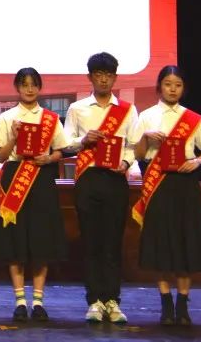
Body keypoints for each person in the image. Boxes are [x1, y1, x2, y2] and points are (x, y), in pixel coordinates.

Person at [132, 65, 201, 326]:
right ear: (160, 87)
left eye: (177, 85)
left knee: (184, 240)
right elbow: (138, 154)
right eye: (168, 84)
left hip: (185, 184)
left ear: (183, 89)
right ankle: (166, 302)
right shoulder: (147, 116)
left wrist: (197, 161)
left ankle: (183, 303)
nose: (172, 89)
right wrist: (146, 137)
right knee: (161, 242)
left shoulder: (191, 118)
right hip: (158, 183)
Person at [63, 51, 141, 325]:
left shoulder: (127, 110)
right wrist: (84, 140)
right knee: (92, 241)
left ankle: (113, 300)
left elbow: (134, 145)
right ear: (90, 77)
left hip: (115, 179)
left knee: (112, 241)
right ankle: (94, 300)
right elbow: (66, 143)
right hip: (88, 179)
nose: (104, 80)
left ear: (115, 78)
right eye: (99, 75)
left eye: (108, 75)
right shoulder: (77, 109)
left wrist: (126, 162)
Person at [0, 68, 70, 322]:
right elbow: (0, 156)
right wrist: (14, 138)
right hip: (15, 177)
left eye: (34, 84)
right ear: (17, 87)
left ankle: (37, 301)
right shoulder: (7, 118)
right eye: (24, 84)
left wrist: (50, 158)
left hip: (42, 177)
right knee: (16, 240)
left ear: (40, 87)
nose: (29, 89)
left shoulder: (50, 118)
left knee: (40, 239)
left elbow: (61, 150)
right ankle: (20, 301)